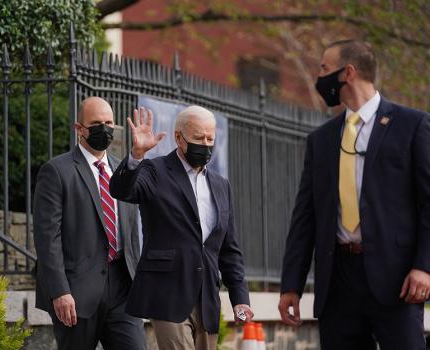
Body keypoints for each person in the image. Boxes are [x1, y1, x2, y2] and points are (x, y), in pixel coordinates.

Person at [278, 40, 430, 349]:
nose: (319, 75)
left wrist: (424, 267)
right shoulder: (321, 140)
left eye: (323, 68)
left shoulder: (412, 125)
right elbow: (305, 216)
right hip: (338, 281)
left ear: (348, 72)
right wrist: (291, 285)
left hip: (397, 279)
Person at [109, 105, 253, 350]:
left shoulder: (221, 185)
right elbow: (122, 190)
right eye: (198, 138)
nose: (205, 144)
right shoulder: (155, 171)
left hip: (206, 295)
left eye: (210, 139)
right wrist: (136, 156)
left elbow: (229, 249)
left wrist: (240, 299)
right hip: (168, 293)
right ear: (179, 138)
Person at [33, 97, 146, 350]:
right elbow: (47, 238)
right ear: (79, 129)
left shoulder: (122, 171)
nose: (103, 129)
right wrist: (59, 291)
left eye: (108, 123)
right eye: (95, 123)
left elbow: (133, 233)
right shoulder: (56, 171)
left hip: (123, 289)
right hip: (76, 292)